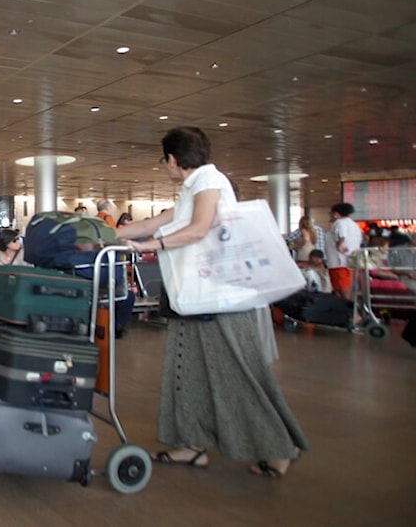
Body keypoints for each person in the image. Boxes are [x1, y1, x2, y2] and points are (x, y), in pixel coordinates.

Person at [117, 126, 307, 478]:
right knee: (186, 370)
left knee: (235, 374)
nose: (165, 167)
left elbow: (199, 228)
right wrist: (105, 233)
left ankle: (278, 447)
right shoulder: (193, 188)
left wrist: (151, 247)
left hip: (220, 299)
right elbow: (156, 221)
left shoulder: (209, 182)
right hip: (197, 299)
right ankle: (192, 444)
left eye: (165, 161)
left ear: (174, 159)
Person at [325, 203, 363, 301]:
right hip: (349, 263)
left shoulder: (340, 222)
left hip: (339, 263)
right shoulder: (354, 225)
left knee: (343, 292)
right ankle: (350, 312)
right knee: (345, 291)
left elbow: (342, 234)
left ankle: (351, 314)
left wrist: (339, 245)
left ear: (336, 214)